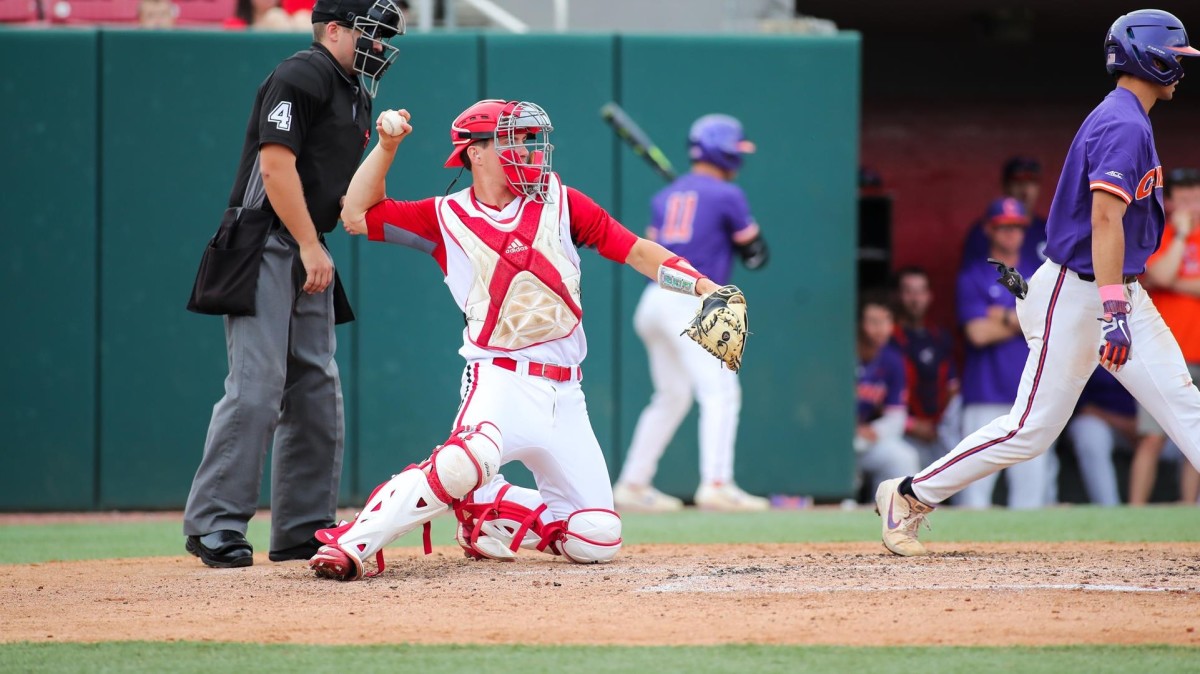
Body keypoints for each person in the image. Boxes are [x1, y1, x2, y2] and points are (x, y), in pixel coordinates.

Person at [307, 99, 743, 581]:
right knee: (463, 459)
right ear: (475, 152)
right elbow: (356, 214)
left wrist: (702, 285)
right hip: (500, 381)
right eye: (514, 140)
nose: (529, 151)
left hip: (565, 395)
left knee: (598, 538)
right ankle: (351, 544)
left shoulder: (560, 199)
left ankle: (488, 507)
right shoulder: (445, 216)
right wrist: (387, 147)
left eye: (531, 140)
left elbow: (636, 251)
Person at [875, 9, 1200, 556]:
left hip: (1114, 289)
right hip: (1080, 292)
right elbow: (1104, 220)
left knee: (1182, 402)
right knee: (1031, 430)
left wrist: (1120, 300)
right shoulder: (1122, 121)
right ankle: (910, 494)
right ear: (1150, 57)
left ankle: (913, 493)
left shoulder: (1131, 117)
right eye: (1176, 57)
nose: (1182, 68)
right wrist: (1112, 307)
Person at [182, 0, 405, 569]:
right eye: (369, 34)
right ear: (334, 29)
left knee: (316, 391)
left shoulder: (355, 90)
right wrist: (309, 245)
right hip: (264, 238)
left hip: (307, 242)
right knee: (257, 387)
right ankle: (214, 526)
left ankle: (304, 529)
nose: (378, 47)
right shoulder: (302, 72)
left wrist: (386, 145)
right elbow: (275, 166)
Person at [612, 114, 769, 513]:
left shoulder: (665, 197)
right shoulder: (727, 195)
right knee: (720, 391)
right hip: (692, 302)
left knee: (672, 396)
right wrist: (747, 243)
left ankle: (633, 483)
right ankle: (717, 483)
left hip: (653, 302)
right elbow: (755, 255)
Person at [953, 197, 1055, 509]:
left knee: (1031, 494)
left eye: (1017, 227)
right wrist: (1023, 317)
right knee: (974, 490)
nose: (1011, 234)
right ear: (989, 229)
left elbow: (1052, 324)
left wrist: (1003, 315)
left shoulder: (1039, 275)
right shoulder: (973, 275)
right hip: (985, 392)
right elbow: (978, 333)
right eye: (1004, 227)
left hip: (1031, 393)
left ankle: (1029, 559)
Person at [1128, 166, 1200, 505]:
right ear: (1168, 201)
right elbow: (1159, 274)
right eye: (1182, 195)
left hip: (1198, 351)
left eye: (1195, 194)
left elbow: (1168, 280)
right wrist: (1182, 235)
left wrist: (1173, 284)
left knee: (1195, 439)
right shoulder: (1160, 234)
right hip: (1166, 352)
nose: (1190, 202)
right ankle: (1136, 511)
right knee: (1152, 437)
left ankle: (1188, 509)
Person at [890, 266, 960, 469]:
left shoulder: (940, 337)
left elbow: (952, 388)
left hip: (937, 430)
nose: (915, 298)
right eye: (908, 291)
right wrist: (911, 424)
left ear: (929, 296)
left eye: (920, 291)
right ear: (897, 295)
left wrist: (935, 425)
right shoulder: (888, 338)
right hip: (900, 430)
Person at [854, 290, 920, 498]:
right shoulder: (840, 353)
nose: (880, 329)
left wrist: (874, 430)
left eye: (885, 321)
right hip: (831, 441)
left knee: (903, 457)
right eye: (873, 322)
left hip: (863, 440)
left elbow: (896, 418)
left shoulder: (892, 360)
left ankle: (895, 517)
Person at [961, 156, 1049, 268]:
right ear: (1005, 186)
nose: (1025, 189)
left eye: (1031, 181)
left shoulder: (1048, 231)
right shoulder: (982, 232)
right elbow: (970, 278)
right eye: (1018, 181)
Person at [1065, 367, 1134, 506]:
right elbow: (1084, 407)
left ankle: (1185, 504)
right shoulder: (1088, 351)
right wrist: (1127, 425)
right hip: (1101, 421)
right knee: (1090, 433)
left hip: (1150, 427)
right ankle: (1109, 507)